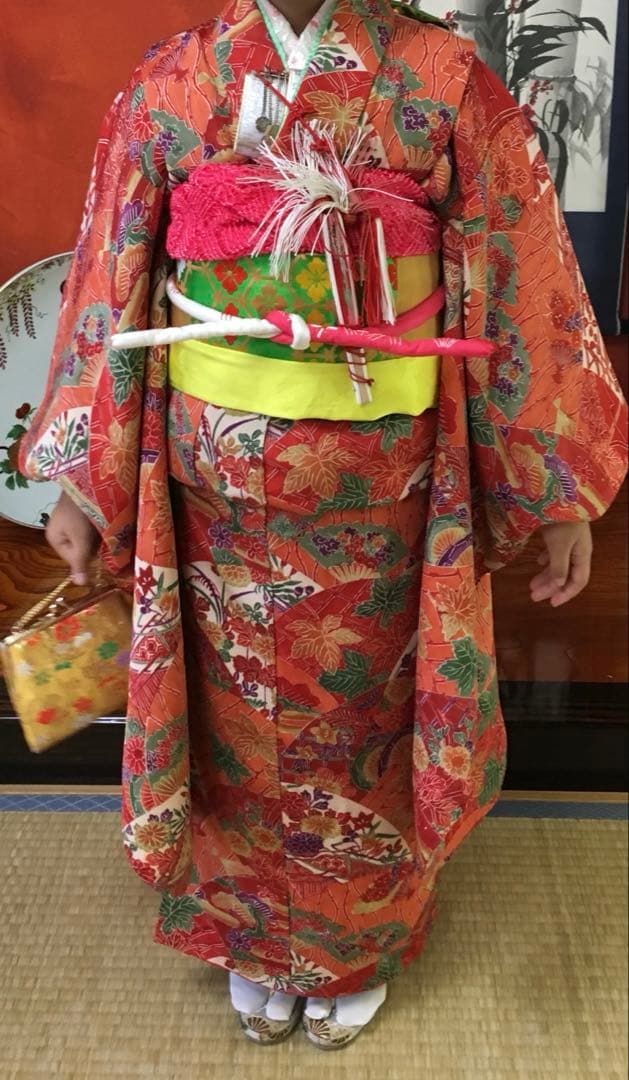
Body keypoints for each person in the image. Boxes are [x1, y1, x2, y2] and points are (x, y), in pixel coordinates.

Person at [20, 0, 627, 1049]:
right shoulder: (171, 84)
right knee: (225, 713)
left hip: (384, 484)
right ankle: (250, 936)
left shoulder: (442, 81)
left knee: (366, 712)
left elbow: (523, 279)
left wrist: (559, 486)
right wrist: (81, 482)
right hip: (208, 484)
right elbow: (108, 277)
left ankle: (353, 944)